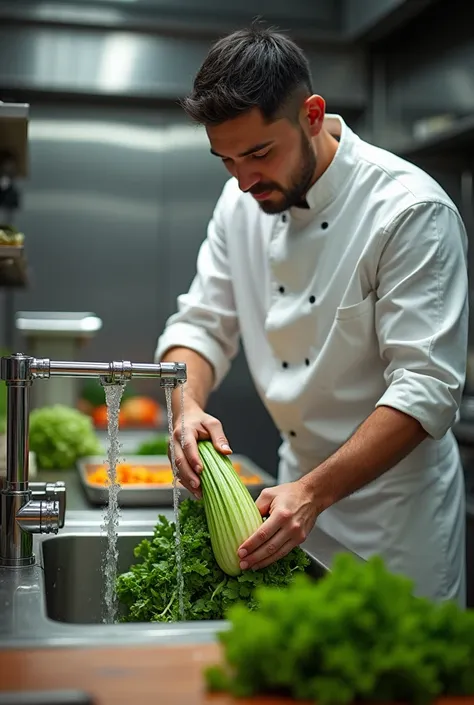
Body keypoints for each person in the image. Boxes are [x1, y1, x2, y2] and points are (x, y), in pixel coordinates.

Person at [155, 25, 469, 606]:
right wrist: (185, 405)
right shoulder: (239, 202)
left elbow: (426, 388)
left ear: (312, 114)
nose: (244, 180)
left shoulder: (408, 210)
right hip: (289, 499)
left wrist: (316, 492)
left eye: (258, 153)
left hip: (395, 520)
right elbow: (200, 325)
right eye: (226, 160)